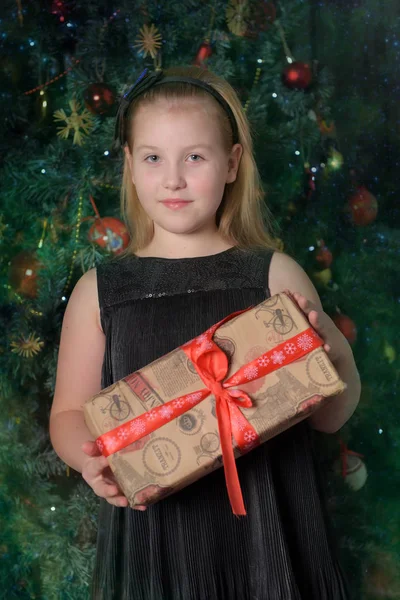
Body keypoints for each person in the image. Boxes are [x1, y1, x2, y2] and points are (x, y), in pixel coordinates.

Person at [50, 65, 361, 600]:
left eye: (194, 156)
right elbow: (68, 412)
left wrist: (338, 363)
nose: (173, 178)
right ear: (129, 165)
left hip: (268, 521)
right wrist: (88, 459)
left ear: (232, 162)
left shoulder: (273, 275)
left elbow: (332, 415)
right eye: (153, 158)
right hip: (157, 530)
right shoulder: (100, 290)